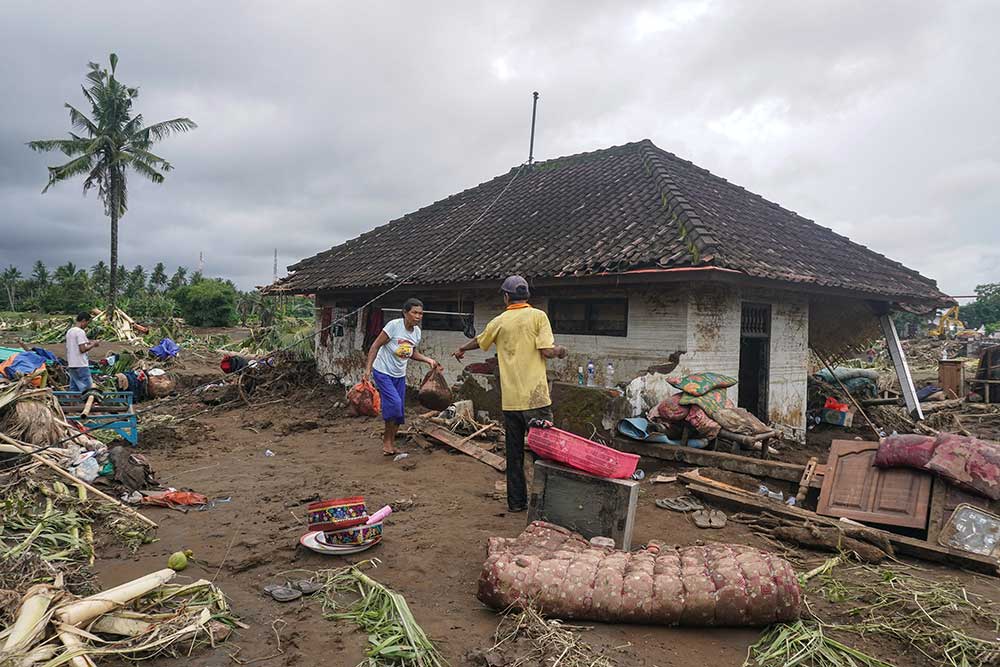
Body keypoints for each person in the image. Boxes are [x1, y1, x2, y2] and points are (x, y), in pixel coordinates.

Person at [452, 276, 567, 512]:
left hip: (511, 401)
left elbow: (480, 340)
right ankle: (546, 506)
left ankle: (516, 503)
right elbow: (546, 351)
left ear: (505, 297)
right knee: (543, 454)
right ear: (527, 296)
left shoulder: (499, 321)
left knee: (514, 455)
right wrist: (559, 351)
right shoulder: (538, 316)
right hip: (536, 399)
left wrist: (462, 348)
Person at [363, 298, 440, 456]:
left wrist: (428, 360)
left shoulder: (417, 333)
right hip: (383, 371)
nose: (418, 316)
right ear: (405, 313)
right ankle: (387, 442)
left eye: (420, 313)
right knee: (395, 404)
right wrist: (368, 369)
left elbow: (411, 352)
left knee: (398, 411)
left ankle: (390, 443)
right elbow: (375, 345)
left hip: (399, 375)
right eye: (414, 313)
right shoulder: (394, 326)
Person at [66, 312, 99, 394]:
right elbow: (82, 349)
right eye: (87, 323)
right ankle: (89, 404)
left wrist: (90, 343)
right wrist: (93, 344)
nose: (87, 325)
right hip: (81, 364)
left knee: (74, 387)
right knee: (88, 388)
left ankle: (73, 404)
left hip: (71, 364)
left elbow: (80, 344)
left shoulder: (70, 331)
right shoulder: (80, 332)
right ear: (84, 320)